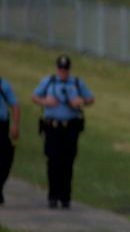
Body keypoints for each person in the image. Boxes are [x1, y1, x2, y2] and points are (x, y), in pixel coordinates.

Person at [31, 54, 95, 209]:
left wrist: (80, 102)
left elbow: (90, 99)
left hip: (70, 128)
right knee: (53, 161)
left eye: (65, 69)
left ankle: (65, 197)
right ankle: (53, 196)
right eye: (60, 69)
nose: (63, 72)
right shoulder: (49, 81)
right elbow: (35, 97)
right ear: (57, 68)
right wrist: (45, 101)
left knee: (67, 162)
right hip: (52, 127)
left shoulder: (77, 83)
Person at [0, 76, 20, 205]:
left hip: (2, 126)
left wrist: (15, 125)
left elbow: (15, 105)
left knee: (5, 159)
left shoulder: (4, 85)